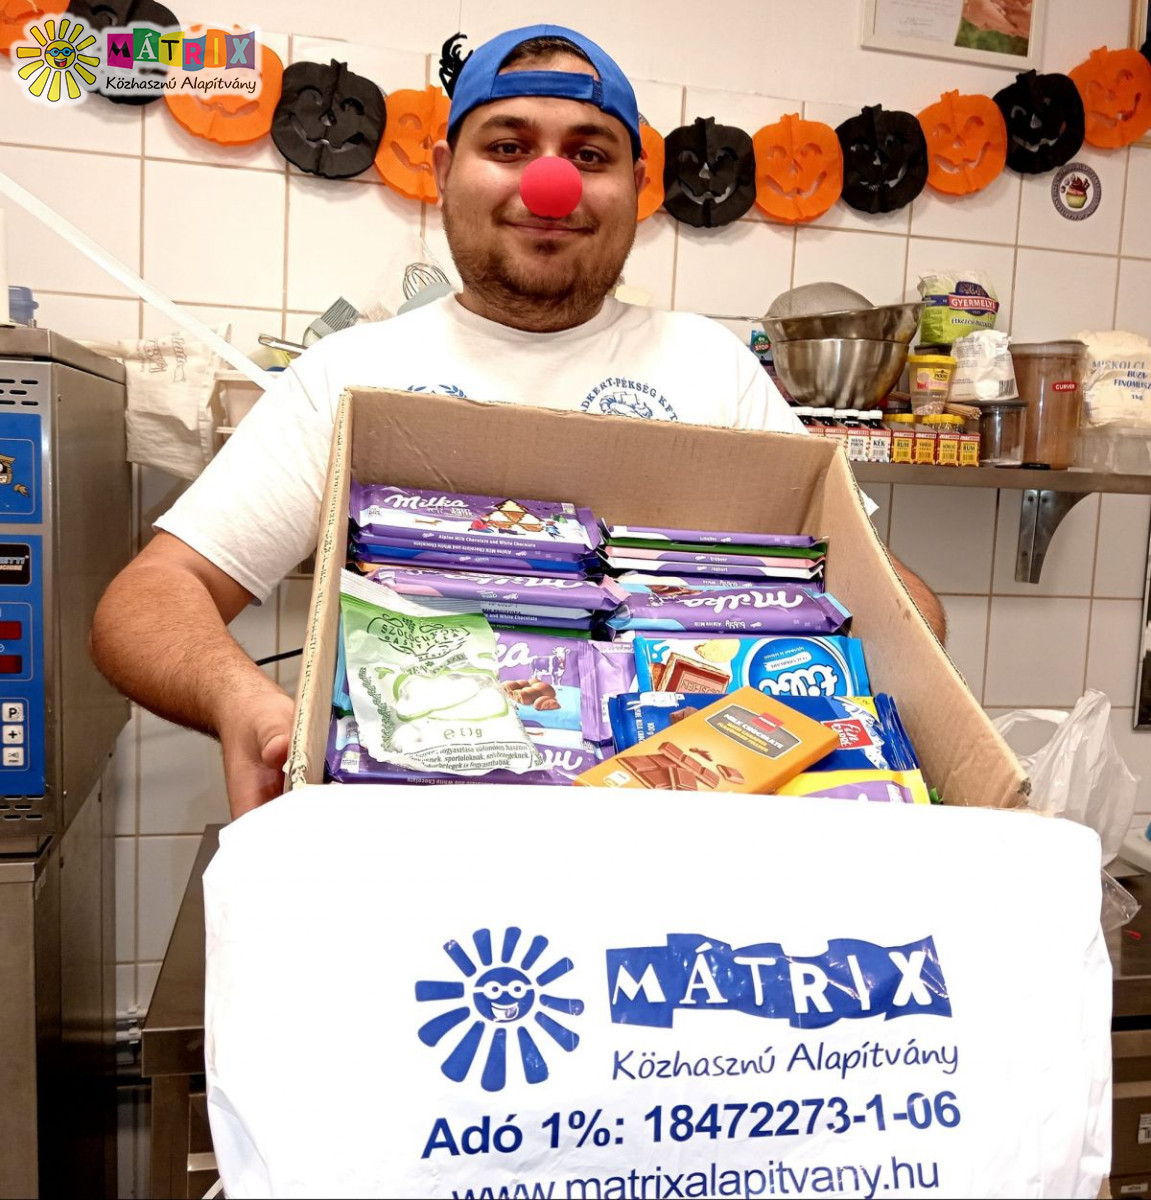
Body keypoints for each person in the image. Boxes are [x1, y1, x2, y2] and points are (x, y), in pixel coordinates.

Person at [90, 23, 946, 819]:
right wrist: (241, 700)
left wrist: (892, 687)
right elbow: (150, 598)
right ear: (442, 168)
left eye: (589, 154)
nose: (550, 184)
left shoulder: (711, 369)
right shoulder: (350, 372)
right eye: (507, 147)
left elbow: (893, 599)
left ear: (637, 185)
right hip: (418, 831)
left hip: (674, 833)